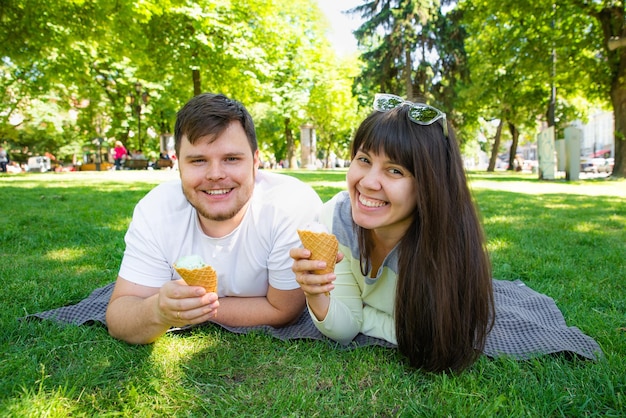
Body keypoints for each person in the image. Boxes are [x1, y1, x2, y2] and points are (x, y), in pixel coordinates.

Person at [290, 93, 494, 373]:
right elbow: (345, 329)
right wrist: (316, 294)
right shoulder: (336, 219)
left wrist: (362, 315)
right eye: (363, 159)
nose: (369, 182)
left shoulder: (446, 247)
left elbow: (436, 340)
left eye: (395, 170)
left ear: (429, 185)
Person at [106, 93, 322, 344]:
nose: (215, 174)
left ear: (255, 162)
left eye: (231, 159)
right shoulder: (156, 210)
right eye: (198, 160)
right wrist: (157, 310)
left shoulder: (290, 205)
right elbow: (119, 316)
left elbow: (282, 310)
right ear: (179, 165)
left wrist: (190, 311)